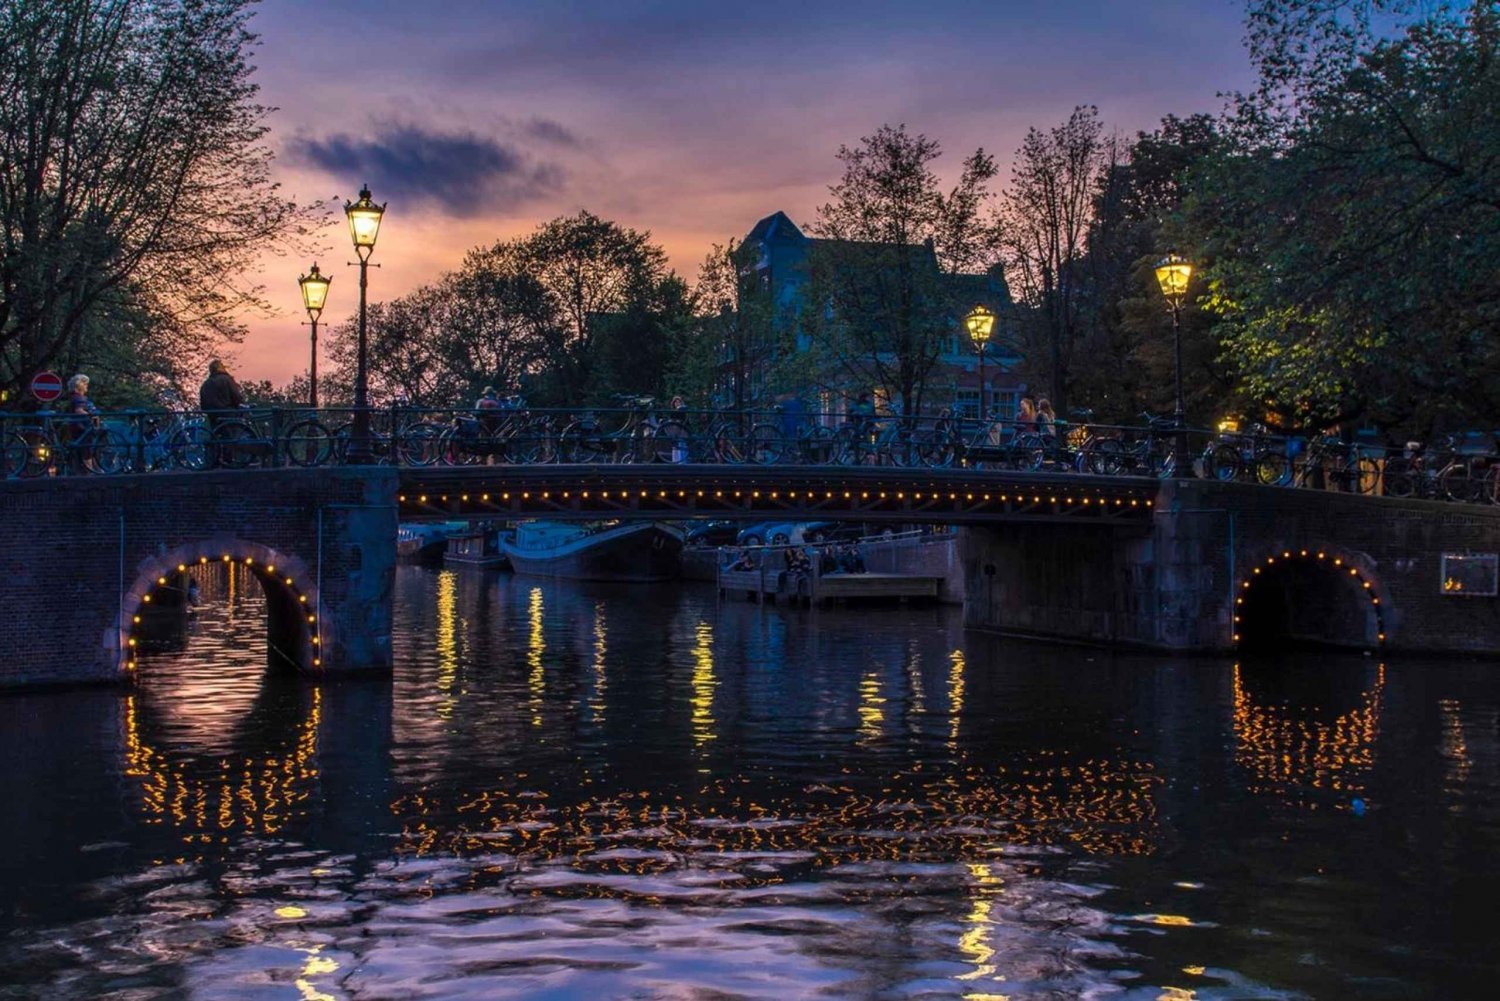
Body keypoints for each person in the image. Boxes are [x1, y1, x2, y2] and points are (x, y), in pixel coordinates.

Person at [63, 374, 100, 473]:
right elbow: (79, 410)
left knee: (83, 452)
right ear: (80, 385)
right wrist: (90, 416)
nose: (87, 386)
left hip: (77, 427)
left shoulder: (74, 397)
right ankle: (91, 474)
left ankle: (93, 472)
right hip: (82, 428)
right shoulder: (79, 398)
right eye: (85, 384)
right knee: (87, 451)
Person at [199, 359, 244, 426]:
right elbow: (236, 397)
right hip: (228, 415)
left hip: (213, 418)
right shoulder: (227, 379)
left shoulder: (205, 384)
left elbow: (203, 405)